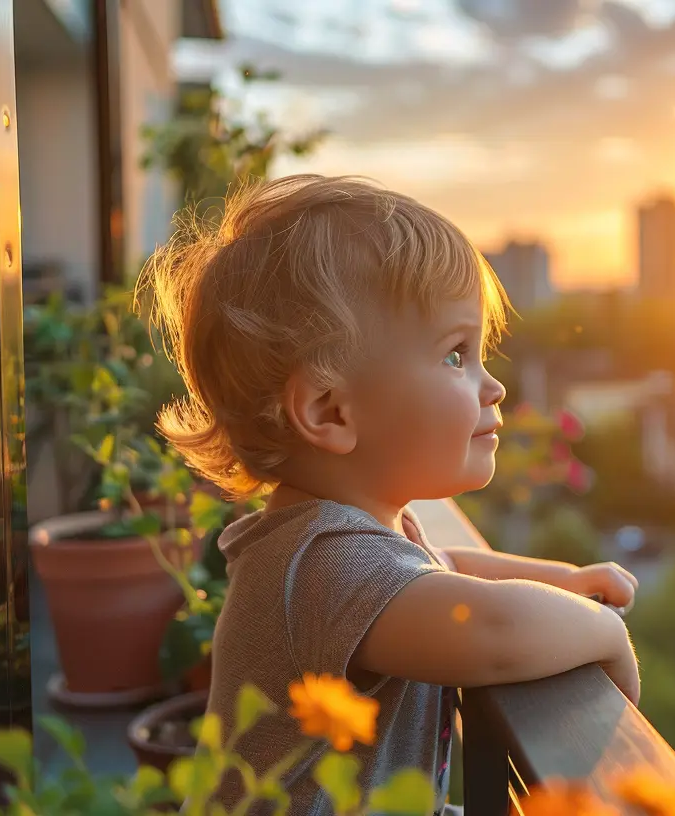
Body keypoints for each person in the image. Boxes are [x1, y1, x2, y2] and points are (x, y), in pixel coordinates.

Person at [140, 174, 640, 815]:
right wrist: (603, 632)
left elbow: (448, 572)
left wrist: (563, 581)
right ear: (330, 411)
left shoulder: (352, 536)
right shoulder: (320, 561)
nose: (494, 387)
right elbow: (490, 630)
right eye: (456, 356)